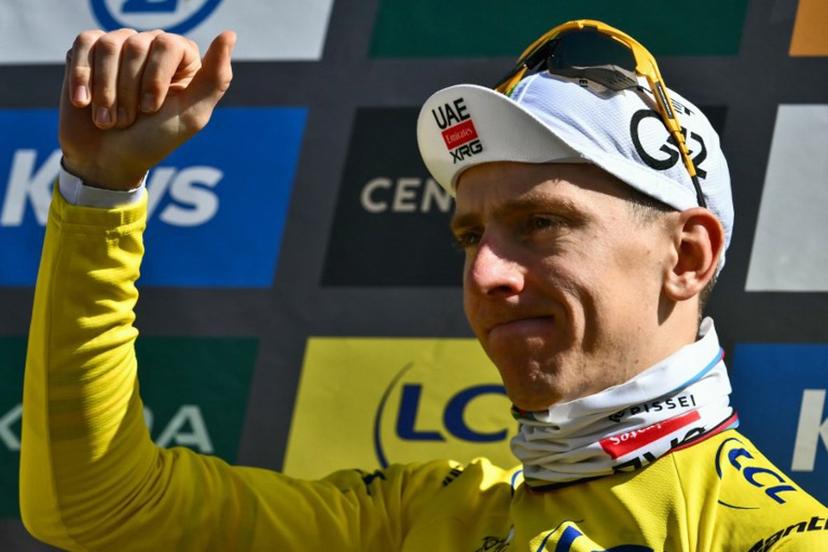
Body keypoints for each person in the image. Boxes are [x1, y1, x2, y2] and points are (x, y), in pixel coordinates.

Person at [20, 20, 826, 552]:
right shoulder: (421, 518)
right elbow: (97, 506)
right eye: (471, 235)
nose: (483, 273)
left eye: (541, 224)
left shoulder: (775, 538)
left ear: (687, 258)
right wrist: (100, 190)